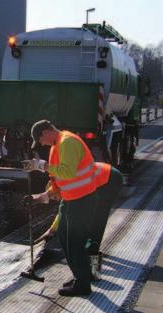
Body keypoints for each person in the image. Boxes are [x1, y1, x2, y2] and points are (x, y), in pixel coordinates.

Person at [22, 120, 111, 297]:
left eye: (40, 140)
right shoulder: (57, 145)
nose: (41, 144)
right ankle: (80, 275)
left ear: (46, 132)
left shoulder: (68, 142)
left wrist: (41, 166)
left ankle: (83, 284)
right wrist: (41, 196)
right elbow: (59, 178)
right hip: (71, 199)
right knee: (64, 236)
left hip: (83, 199)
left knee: (75, 241)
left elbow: (67, 172)